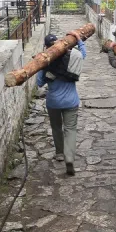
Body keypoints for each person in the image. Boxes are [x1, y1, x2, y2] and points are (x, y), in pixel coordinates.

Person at [37, 31, 86, 175]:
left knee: (56, 127)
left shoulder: (45, 62)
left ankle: (59, 153)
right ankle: (69, 158)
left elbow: (39, 83)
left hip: (53, 102)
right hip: (71, 101)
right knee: (70, 129)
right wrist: (78, 38)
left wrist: (47, 75)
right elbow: (83, 54)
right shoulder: (71, 57)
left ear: (46, 47)